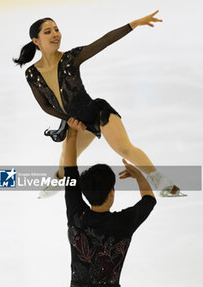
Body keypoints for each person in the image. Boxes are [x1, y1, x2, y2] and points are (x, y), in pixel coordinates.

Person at [13, 11, 186, 197]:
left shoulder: (71, 59)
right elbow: (45, 106)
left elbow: (103, 41)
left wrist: (133, 24)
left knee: (124, 148)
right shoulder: (32, 73)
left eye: (56, 29)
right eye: (47, 32)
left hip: (97, 113)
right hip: (76, 122)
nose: (55, 34)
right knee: (65, 164)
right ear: (36, 41)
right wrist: (69, 120)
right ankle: (58, 179)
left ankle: (162, 182)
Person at [61, 123, 156, 287]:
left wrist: (72, 133)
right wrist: (139, 175)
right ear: (112, 192)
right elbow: (149, 200)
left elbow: (70, 169)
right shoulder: (124, 223)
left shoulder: (76, 213)